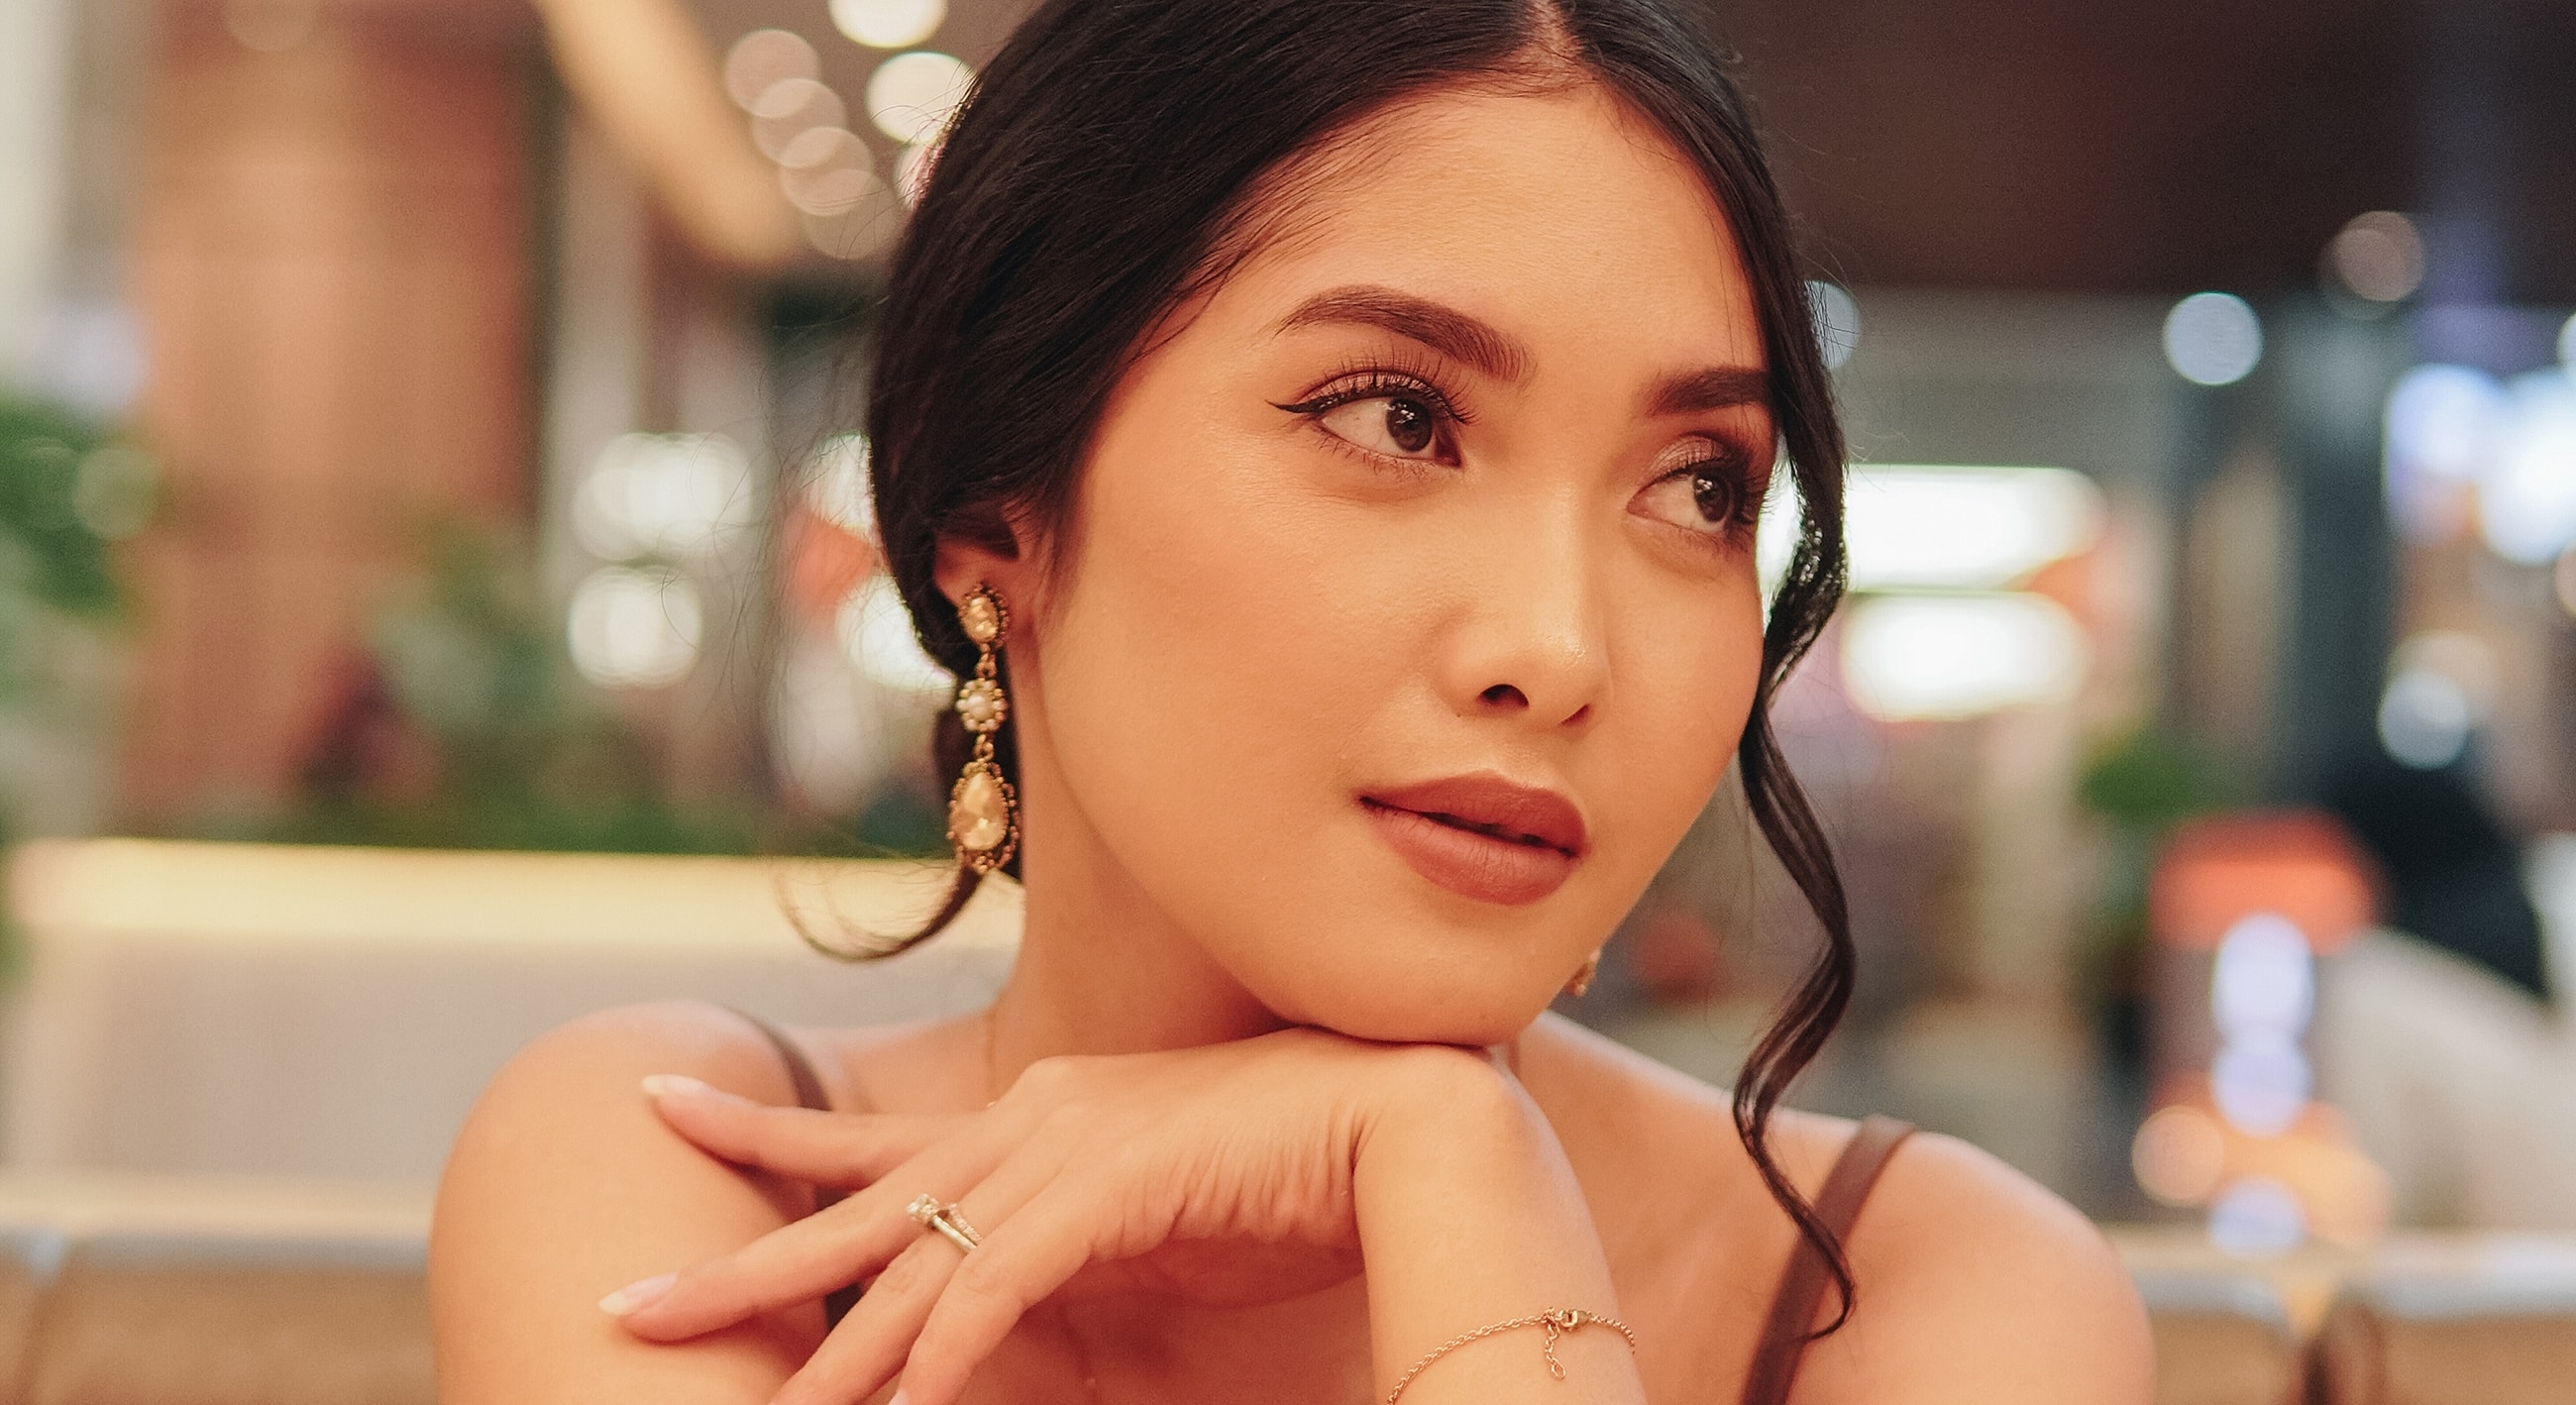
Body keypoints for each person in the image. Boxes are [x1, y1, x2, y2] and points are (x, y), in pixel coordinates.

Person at [430, 1, 2153, 1401]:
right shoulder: (695, 1180)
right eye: (1396, 417)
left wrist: (1458, 1174)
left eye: (1699, 484)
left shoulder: (1930, 1294)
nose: (1561, 648)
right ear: (995, 513)